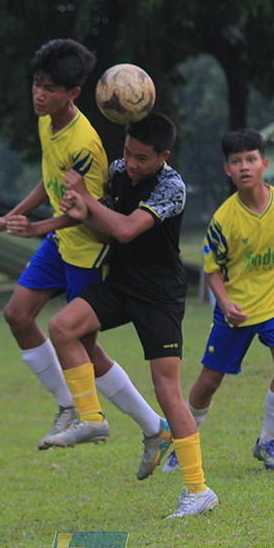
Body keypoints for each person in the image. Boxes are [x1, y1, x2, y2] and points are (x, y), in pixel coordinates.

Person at [0, 39, 170, 478]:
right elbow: (49, 183)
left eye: (49, 88)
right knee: (18, 315)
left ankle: (140, 425)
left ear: (73, 95)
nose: (38, 94)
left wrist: (38, 228)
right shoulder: (47, 123)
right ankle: (71, 403)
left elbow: (86, 209)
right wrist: (9, 217)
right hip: (60, 245)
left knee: (82, 343)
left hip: (87, 249)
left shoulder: (85, 143)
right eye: (36, 84)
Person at [47, 112, 216, 518]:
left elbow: (124, 229)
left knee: (166, 388)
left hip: (159, 294)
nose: (131, 162)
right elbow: (105, 228)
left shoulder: (172, 187)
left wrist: (87, 202)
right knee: (63, 327)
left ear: (164, 155)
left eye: (142, 157)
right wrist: (77, 209)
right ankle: (91, 418)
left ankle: (198, 490)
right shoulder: (118, 172)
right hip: (122, 284)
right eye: (127, 152)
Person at [165, 128, 274, 474]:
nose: (244, 167)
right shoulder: (223, 219)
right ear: (227, 169)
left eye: (251, 159)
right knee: (209, 382)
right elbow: (212, 271)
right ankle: (183, 444)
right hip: (235, 309)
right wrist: (225, 304)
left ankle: (268, 442)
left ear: (264, 163)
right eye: (236, 161)